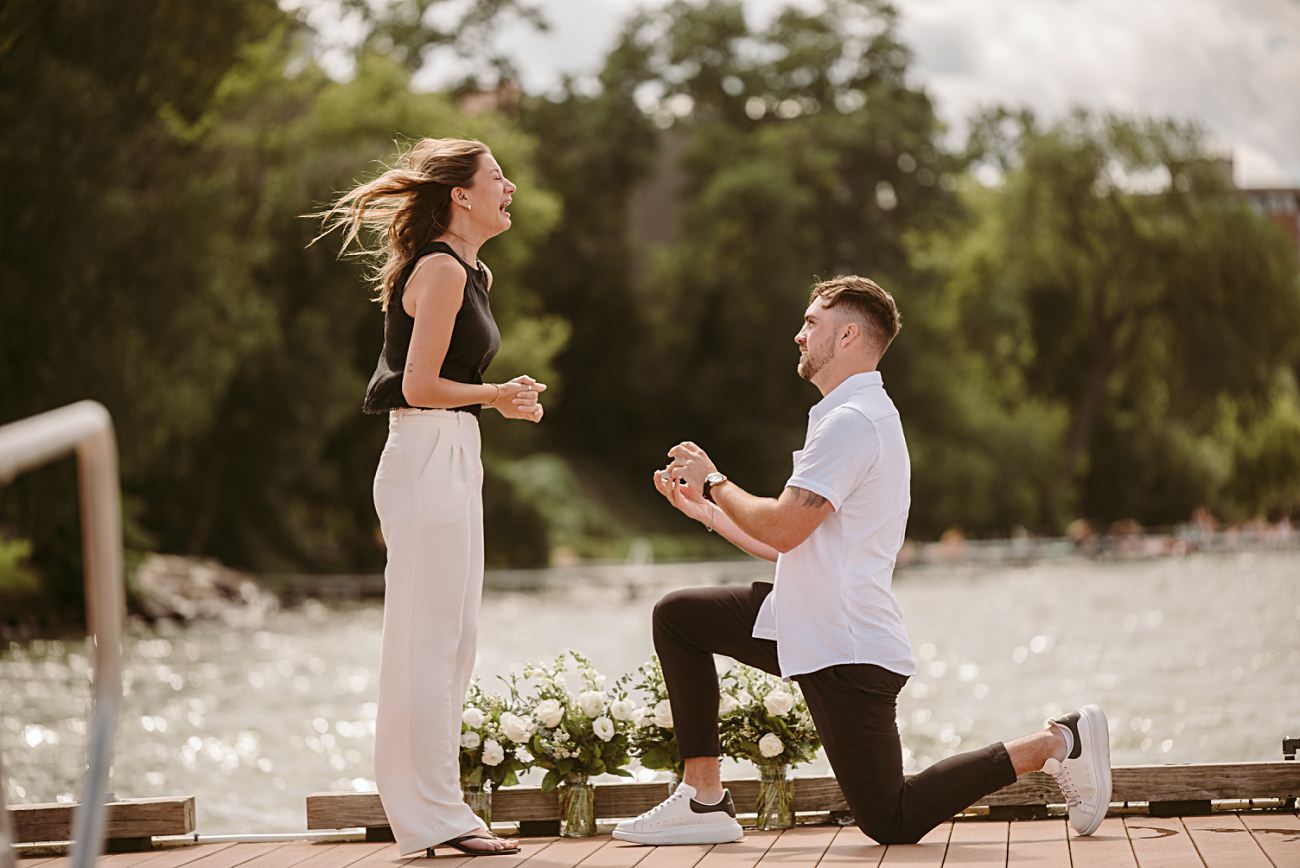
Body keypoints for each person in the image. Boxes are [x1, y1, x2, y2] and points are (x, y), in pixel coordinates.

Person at [613, 275, 1111, 847]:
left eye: (810, 324)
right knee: (679, 618)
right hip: (804, 617)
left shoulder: (854, 423)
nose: (798, 336)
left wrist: (716, 480)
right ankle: (703, 800)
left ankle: (1055, 741)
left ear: (848, 334)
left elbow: (782, 524)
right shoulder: (844, 415)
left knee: (890, 819)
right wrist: (707, 511)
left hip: (844, 643)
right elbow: (788, 545)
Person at [318, 138, 543, 858]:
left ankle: (436, 809)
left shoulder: (473, 270)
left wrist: (497, 403)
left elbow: (444, 384)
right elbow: (418, 387)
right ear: (461, 196)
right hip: (425, 449)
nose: (510, 187)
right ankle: (435, 817)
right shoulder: (442, 270)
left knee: (452, 641)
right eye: (497, 178)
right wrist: (497, 395)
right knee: (430, 642)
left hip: (450, 450)